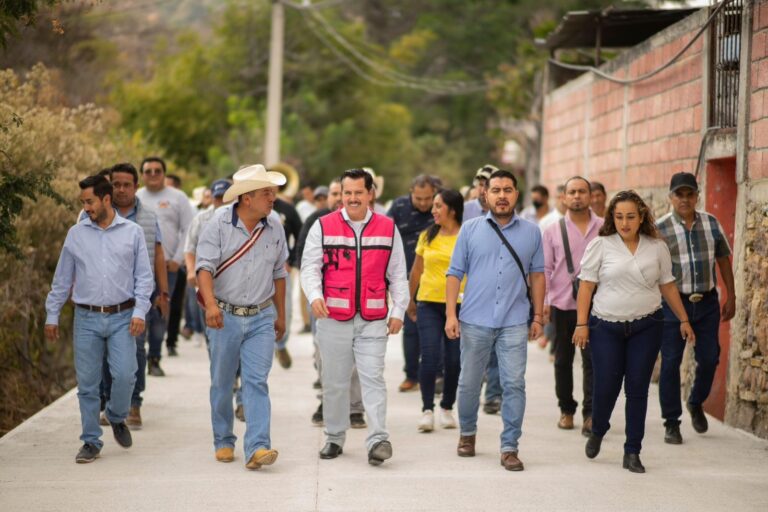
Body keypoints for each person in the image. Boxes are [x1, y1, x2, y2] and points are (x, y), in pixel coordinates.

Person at [573, 190, 695, 474]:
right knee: (607, 386)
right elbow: (586, 287)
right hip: (606, 326)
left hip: (647, 326)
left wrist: (684, 319)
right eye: (618, 217)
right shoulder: (601, 245)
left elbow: (667, 285)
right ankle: (599, 429)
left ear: (641, 217)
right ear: (611, 219)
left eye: (630, 217)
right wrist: (581, 324)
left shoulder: (657, 247)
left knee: (637, 389)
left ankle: (632, 452)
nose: (624, 223)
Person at [300, 168, 408, 466]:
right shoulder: (323, 226)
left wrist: (398, 310)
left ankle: (378, 440)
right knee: (334, 381)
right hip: (333, 317)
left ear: (370, 194)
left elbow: (398, 274)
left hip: (373, 319)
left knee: (373, 377)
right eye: (347, 192)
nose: (352, 198)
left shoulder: (387, 228)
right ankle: (334, 437)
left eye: (358, 192)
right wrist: (315, 296)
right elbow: (309, 267)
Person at [45, 175, 154, 463]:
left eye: (90, 201)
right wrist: (52, 315)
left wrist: (140, 311)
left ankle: (117, 416)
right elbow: (62, 279)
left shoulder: (132, 232)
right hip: (87, 319)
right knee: (89, 384)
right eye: (83, 202)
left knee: (125, 374)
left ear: (106, 199)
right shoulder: (76, 234)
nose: (86, 207)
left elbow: (144, 277)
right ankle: (91, 441)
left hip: (123, 317)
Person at [446, 169, 545, 472]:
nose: (502, 195)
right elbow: (454, 273)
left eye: (508, 190)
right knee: (469, 382)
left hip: (514, 320)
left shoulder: (532, 232)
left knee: (514, 383)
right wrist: (451, 314)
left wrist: (538, 315)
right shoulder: (470, 229)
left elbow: (538, 275)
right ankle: (467, 433)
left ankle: (509, 446)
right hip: (474, 319)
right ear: (485, 195)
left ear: (517, 194)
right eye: (496, 190)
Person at [196, 164, 288, 470]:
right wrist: (210, 306)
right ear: (247, 198)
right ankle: (223, 439)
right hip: (224, 315)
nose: (273, 197)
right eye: (267, 193)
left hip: (262, 316)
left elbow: (279, 274)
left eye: (272, 192)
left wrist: (281, 316)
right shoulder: (218, 224)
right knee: (222, 382)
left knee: (256, 381)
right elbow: (204, 269)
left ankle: (258, 447)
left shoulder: (275, 225)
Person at [656, 172, 735, 444]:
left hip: (707, 303)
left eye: (690, 194)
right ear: (671, 197)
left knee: (710, 357)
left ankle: (695, 401)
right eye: (680, 194)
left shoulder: (711, 224)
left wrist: (732, 296)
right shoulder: (660, 229)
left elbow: (724, 260)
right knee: (670, 363)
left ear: (697, 196)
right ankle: (671, 422)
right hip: (672, 305)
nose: (685, 199)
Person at [99, 163, 170, 430]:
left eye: (127, 184)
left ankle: (134, 404)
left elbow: (159, 254)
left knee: (137, 350)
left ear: (135, 186)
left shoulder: (150, 217)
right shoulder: (96, 215)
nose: (121, 189)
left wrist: (163, 293)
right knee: (107, 353)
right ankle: (111, 404)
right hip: (105, 299)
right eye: (116, 184)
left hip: (138, 298)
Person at [296, 179, 367, 429]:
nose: (340, 198)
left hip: (358, 306)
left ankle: (355, 408)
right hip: (324, 305)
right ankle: (328, 403)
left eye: (344, 193)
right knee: (324, 357)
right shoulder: (317, 223)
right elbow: (305, 262)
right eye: (336, 193)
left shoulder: (365, 224)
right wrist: (314, 296)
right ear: (328, 197)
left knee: (356, 358)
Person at [542, 176, 603, 436]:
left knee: (593, 362)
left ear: (591, 196)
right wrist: (543, 302)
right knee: (563, 361)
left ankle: (591, 414)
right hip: (563, 305)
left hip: (598, 306)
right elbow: (544, 268)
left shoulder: (605, 227)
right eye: (572, 192)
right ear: (564, 198)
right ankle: (566, 410)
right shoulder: (552, 230)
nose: (577, 196)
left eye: (582, 191)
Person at [407, 189, 464, 432]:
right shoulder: (426, 236)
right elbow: (417, 270)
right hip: (428, 302)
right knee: (429, 356)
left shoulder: (466, 236)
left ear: (452, 209)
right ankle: (427, 410)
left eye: (438, 206)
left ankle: (447, 407)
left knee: (453, 360)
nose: (433, 210)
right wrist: (410, 300)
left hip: (460, 306)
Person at [137, 157, 194, 372]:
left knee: (161, 312)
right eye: (148, 171)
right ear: (142, 174)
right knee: (141, 313)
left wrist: (178, 259)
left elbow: (188, 229)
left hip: (168, 267)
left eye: (157, 170)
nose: (153, 174)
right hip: (139, 268)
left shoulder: (178, 198)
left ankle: (154, 358)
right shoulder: (136, 198)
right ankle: (138, 358)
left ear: (164, 173)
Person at [387, 174, 439, 393]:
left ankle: (438, 374)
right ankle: (411, 375)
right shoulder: (398, 207)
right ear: (411, 192)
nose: (424, 203)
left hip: (436, 279)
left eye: (428, 198)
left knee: (436, 329)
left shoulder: (440, 206)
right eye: (419, 198)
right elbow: (385, 235)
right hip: (406, 278)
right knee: (410, 329)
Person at [462, 164, 503, 415]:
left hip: (499, 292)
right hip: (469, 291)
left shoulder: (508, 214)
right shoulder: (464, 211)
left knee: (497, 348)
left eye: (488, 184)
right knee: (473, 349)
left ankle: (493, 396)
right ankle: (471, 392)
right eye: (480, 183)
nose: (482, 188)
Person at [272, 187, 303, 369]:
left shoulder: (287, 209)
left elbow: (300, 236)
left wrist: (291, 260)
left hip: (282, 268)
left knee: (285, 309)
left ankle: (281, 344)